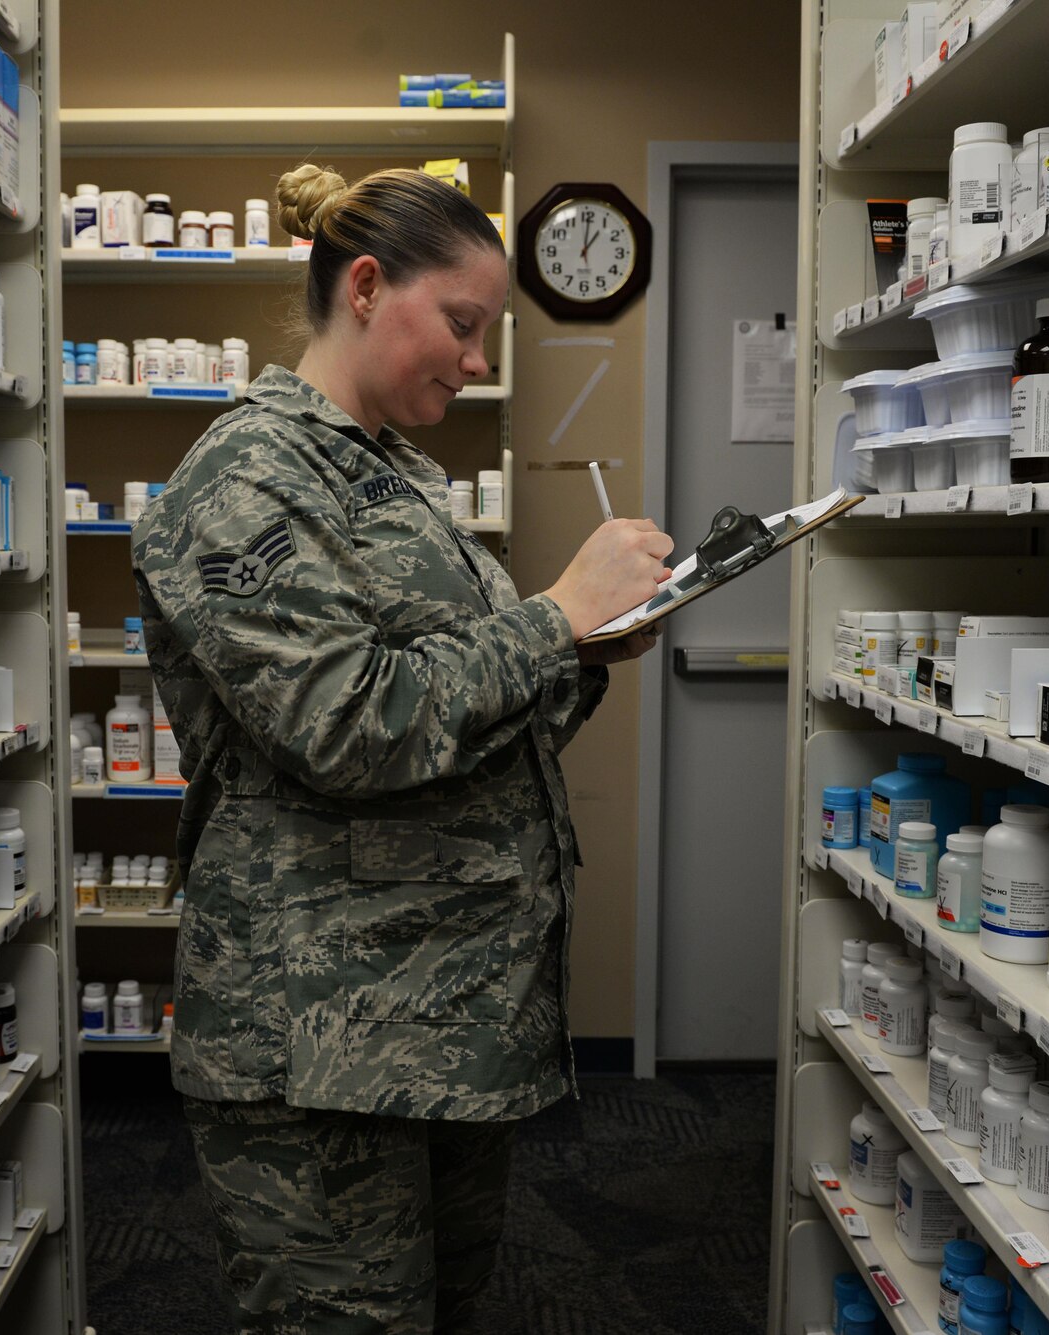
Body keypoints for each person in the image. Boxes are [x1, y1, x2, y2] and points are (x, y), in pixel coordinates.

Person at [131, 161, 675, 1333]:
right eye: (464, 325)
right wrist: (550, 618)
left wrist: (579, 654)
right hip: (316, 1042)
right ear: (368, 286)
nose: (477, 362)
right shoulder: (248, 475)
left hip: (431, 1021)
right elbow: (349, 725)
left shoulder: (389, 474)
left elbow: (459, 724)